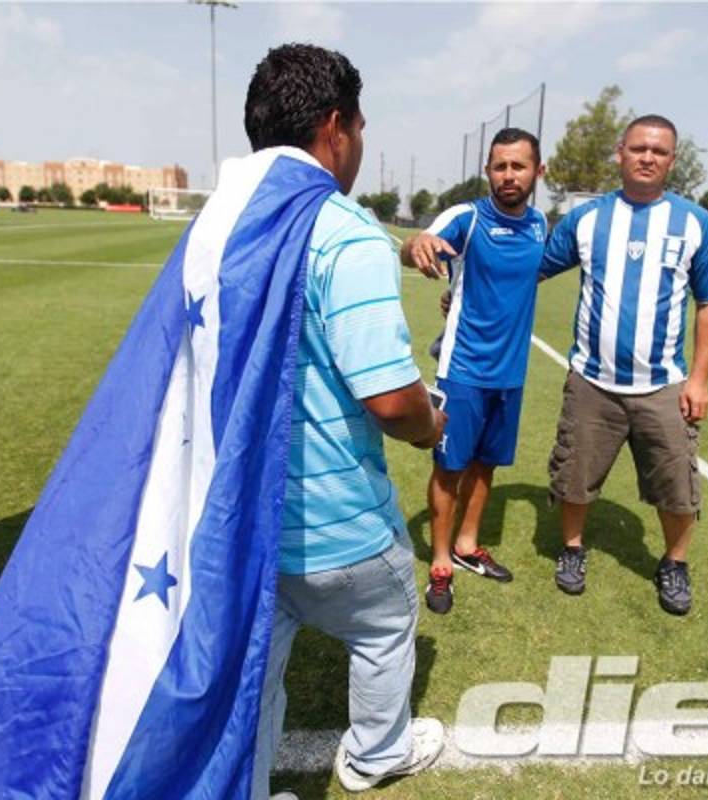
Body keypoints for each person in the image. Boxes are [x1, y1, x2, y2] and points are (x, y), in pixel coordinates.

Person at [246, 45, 447, 798]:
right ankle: (375, 755)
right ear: (335, 127)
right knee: (387, 619)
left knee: (255, 674)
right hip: (338, 523)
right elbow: (391, 400)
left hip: (244, 518)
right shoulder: (345, 232)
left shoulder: (230, 223)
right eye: (360, 127)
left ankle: (247, 783)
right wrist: (432, 424)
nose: (359, 143)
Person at [539, 114, 708, 616]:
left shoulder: (696, 223)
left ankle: (674, 562)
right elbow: (531, 270)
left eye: (659, 151)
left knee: (677, 485)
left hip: (664, 384)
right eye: (639, 148)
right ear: (620, 153)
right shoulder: (587, 219)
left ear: (672, 161)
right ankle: (573, 549)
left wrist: (700, 379)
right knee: (575, 473)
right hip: (592, 380)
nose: (648, 157)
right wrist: (469, 294)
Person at [400, 128, 547, 615]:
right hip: (462, 369)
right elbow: (418, 244)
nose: (509, 175)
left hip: (511, 373)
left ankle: (467, 544)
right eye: (499, 166)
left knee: (486, 463)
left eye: (518, 166)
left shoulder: (540, 225)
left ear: (538, 172)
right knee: (450, 467)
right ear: (488, 171)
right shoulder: (468, 218)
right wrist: (418, 243)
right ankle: (441, 562)